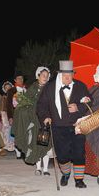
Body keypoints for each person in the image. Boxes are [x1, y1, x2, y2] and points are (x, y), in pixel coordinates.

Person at [37, 60, 91, 188]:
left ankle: (79, 179)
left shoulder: (81, 86)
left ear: (73, 74)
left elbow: (90, 102)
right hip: (58, 126)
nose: (67, 77)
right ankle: (66, 174)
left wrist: (78, 107)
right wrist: (45, 117)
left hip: (78, 125)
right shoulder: (50, 88)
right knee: (62, 154)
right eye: (64, 75)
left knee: (79, 152)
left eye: (70, 74)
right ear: (60, 74)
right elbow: (41, 105)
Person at [13, 66, 53, 176]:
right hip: (35, 120)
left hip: (46, 119)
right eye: (43, 75)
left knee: (45, 143)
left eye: (47, 76)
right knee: (36, 143)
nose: (45, 77)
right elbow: (25, 103)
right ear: (38, 76)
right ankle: (38, 168)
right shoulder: (33, 88)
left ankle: (45, 169)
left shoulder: (50, 88)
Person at [6, 71, 27, 159]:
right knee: (17, 133)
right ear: (15, 80)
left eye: (22, 78)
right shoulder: (11, 90)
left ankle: (24, 150)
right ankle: (18, 150)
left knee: (25, 132)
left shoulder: (26, 89)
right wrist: (10, 117)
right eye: (18, 78)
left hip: (26, 115)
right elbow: (8, 105)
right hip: (16, 115)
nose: (20, 80)